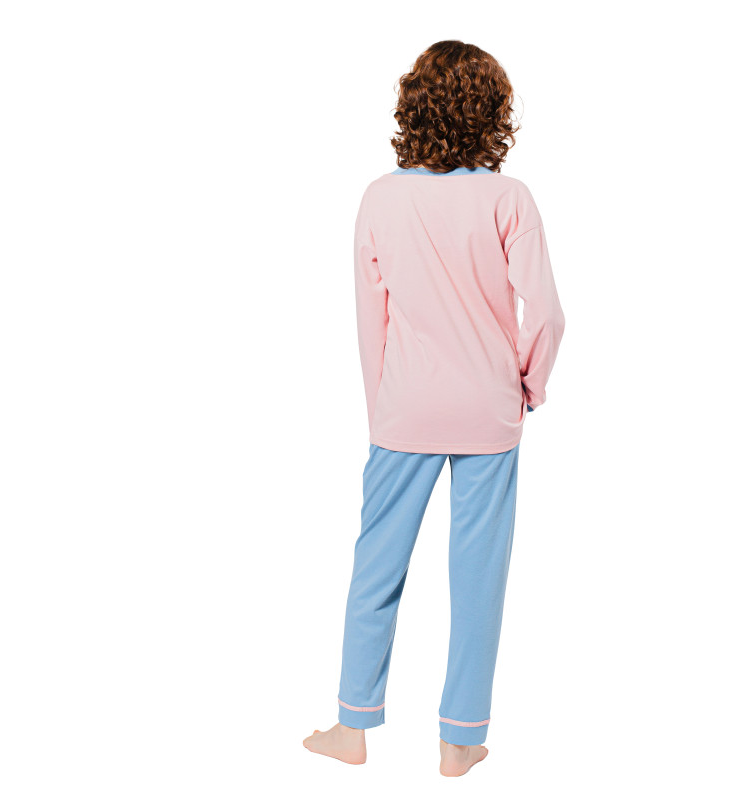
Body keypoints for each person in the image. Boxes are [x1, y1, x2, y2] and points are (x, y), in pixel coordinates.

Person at [303, 40, 565, 778]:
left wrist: (381, 410)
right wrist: (529, 384)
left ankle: (352, 726)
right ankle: (459, 740)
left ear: (413, 106)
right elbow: (546, 313)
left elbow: (371, 320)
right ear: (494, 114)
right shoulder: (509, 198)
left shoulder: (379, 198)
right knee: (479, 576)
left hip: (405, 410)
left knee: (375, 567)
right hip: (489, 410)